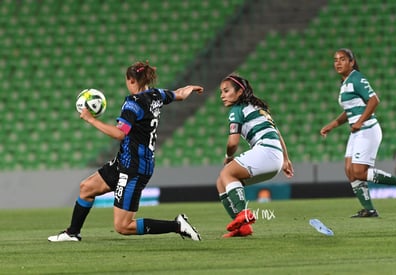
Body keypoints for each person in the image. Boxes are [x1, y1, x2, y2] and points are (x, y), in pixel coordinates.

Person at [48, 61, 203, 242]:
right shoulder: (156, 94)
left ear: (130, 80)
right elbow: (180, 95)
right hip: (125, 160)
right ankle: (72, 233)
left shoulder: (132, 103)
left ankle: (177, 225)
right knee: (87, 187)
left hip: (134, 167)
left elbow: (120, 134)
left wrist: (91, 119)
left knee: (123, 226)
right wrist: (190, 88)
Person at [320, 48, 396, 218]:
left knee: (359, 172)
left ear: (351, 62)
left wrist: (360, 121)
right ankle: (369, 209)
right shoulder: (345, 83)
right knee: (349, 170)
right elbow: (349, 111)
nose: (338, 63)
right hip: (357, 131)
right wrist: (332, 125)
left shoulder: (356, 78)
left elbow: (374, 100)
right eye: (335, 60)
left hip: (368, 129)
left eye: (342, 59)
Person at [216, 74, 294, 238]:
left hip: (266, 151)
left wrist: (228, 156)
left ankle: (243, 215)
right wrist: (285, 160)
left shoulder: (237, 110)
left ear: (239, 92)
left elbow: (232, 143)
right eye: (221, 92)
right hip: (275, 155)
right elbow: (277, 133)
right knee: (221, 182)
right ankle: (242, 229)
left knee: (227, 173)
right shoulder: (257, 108)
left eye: (226, 90)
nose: (222, 95)